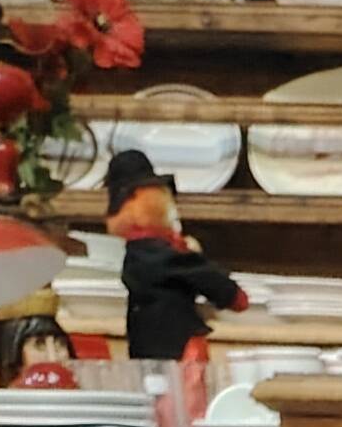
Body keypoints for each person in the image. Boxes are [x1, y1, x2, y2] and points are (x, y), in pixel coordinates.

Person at [101, 148, 244, 365]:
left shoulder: (138, 251)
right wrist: (232, 295)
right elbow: (204, 276)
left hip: (147, 346)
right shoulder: (159, 254)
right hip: (176, 349)